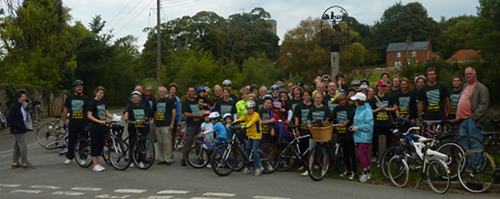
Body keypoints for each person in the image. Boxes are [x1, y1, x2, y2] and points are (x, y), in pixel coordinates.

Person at [457, 67, 489, 151]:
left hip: (473, 120)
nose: (468, 76)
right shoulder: (465, 86)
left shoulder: (482, 88)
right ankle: (467, 162)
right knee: (463, 143)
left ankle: (477, 164)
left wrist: (474, 116)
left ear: (475, 74)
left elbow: (484, 104)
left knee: (475, 142)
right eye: (466, 74)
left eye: (470, 74)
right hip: (462, 120)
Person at [369, 80, 398, 163]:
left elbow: (395, 107)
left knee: (389, 139)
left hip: (387, 123)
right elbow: (370, 111)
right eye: (381, 86)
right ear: (377, 87)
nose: (382, 88)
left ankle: (389, 155)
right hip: (377, 123)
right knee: (375, 140)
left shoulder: (390, 97)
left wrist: (386, 109)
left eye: (384, 86)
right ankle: (376, 155)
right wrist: (379, 109)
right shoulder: (373, 99)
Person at [232, 101, 264, 176]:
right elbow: (240, 119)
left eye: (251, 109)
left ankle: (258, 168)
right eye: (248, 109)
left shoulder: (256, 115)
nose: (249, 110)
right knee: (247, 150)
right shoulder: (247, 116)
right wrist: (231, 124)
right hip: (250, 135)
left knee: (255, 150)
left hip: (256, 134)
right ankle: (248, 166)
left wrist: (245, 126)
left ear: (254, 108)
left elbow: (252, 122)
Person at [303, 92, 331, 177]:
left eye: (320, 98)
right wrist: (311, 127)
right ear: (314, 99)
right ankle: (310, 169)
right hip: (314, 133)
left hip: (323, 133)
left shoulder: (326, 109)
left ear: (322, 99)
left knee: (324, 150)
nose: (318, 100)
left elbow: (327, 120)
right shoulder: (312, 109)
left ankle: (324, 168)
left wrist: (322, 124)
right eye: (317, 98)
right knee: (312, 151)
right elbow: (309, 120)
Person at [63, 80, 90, 165]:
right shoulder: (70, 97)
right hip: (73, 122)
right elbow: (65, 109)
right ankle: (70, 157)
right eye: (78, 87)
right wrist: (64, 122)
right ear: (74, 88)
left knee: (84, 140)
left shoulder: (86, 98)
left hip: (83, 123)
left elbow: (89, 110)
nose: (80, 88)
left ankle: (83, 157)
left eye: (81, 87)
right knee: (72, 140)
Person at [87, 86, 114, 171]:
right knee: (94, 145)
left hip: (102, 127)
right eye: (100, 93)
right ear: (96, 92)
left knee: (100, 145)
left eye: (102, 93)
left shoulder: (103, 102)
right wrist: (98, 121)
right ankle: (95, 165)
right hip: (95, 127)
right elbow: (89, 116)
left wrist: (114, 117)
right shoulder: (92, 103)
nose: (101, 95)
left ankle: (98, 163)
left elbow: (106, 113)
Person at [330, 94, 356, 180]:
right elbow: (332, 118)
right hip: (340, 133)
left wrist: (344, 124)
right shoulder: (336, 109)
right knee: (345, 152)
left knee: (351, 152)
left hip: (348, 132)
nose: (343, 102)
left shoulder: (349, 107)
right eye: (341, 100)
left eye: (344, 100)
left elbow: (350, 118)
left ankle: (354, 171)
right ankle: (348, 170)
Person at [349, 92, 374, 182]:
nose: (354, 102)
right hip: (359, 135)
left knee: (361, 154)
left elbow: (369, 125)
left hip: (365, 135)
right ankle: (368, 170)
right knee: (364, 153)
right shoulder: (358, 109)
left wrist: (358, 127)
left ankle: (365, 172)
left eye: (355, 100)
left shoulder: (367, 110)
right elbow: (357, 121)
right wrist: (353, 126)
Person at [7, 90, 35, 169]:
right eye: (23, 96)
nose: (25, 98)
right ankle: (25, 163)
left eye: (25, 96)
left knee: (17, 146)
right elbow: (9, 119)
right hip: (17, 129)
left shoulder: (22, 105)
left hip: (21, 128)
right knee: (23, 146)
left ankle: (15, 163)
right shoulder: (14, 107)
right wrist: (18, 126)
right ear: (18, 98)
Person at [124, 91, 150, 168]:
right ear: (132, 99)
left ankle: (141, 160)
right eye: (134, 98)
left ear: (139, 99)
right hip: (133, 127)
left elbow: (145, 115)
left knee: (142, 145)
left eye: (137, 98)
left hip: (142, 127)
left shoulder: (142, 106)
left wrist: (146, 119)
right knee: (132, 144)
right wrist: (127, 120)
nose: (135, 99)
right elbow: (126, 113)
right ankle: (131, 160)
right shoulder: (130, 106)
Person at [181, 86, 204, 166]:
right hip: (191, 125)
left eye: (193, 91)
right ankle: (183, 158)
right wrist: (197, 116)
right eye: (190, 91)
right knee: (188, 141)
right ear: (187, 92)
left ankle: (200, 157)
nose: (191, 93)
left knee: (200, 142)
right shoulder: (185, 103)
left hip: (200, 125)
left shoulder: (198, 101)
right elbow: (186, 114)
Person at [154, 86, 176, 165]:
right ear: (158, 93)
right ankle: (162, 158)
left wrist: (172, 123)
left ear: (165, 93)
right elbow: (155, 112)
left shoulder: (170, 101)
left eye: (163, 92)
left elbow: (174, 112)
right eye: (160, 92)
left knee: (167, 142)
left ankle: (168, 158)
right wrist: (154, 123)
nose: (162, 93)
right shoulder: (157, 101)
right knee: (160, 142)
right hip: (158, 124)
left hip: (167, 124)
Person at [167, 83, 181, 163]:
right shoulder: (165, 98)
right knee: (165, 138)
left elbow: (179, 111)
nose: (173, 91)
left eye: (174, 89)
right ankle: (166, 154)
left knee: (172, 137)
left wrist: (179, 122)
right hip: (165, 120)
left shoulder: (177, 100)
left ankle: (171, 153)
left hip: (174, 120)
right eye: (171, 89)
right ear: (169, 90)